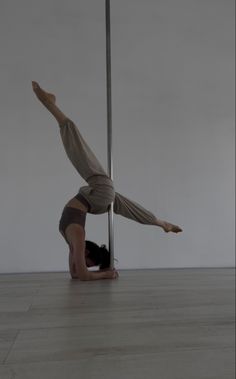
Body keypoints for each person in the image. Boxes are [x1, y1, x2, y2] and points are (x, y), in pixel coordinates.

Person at [32, 81, 182, 281]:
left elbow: (76, 275)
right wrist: (105, 275)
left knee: (126, 206)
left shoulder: (75, 241)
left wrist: (96, 272)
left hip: (96, 199)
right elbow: (83, 275)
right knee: (79, 151)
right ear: (86, 253)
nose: (84, 265)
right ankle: (50, 105)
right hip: (97, 196)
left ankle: (161, 223)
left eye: (90, 266)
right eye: (88, 263)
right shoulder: (77, 237)